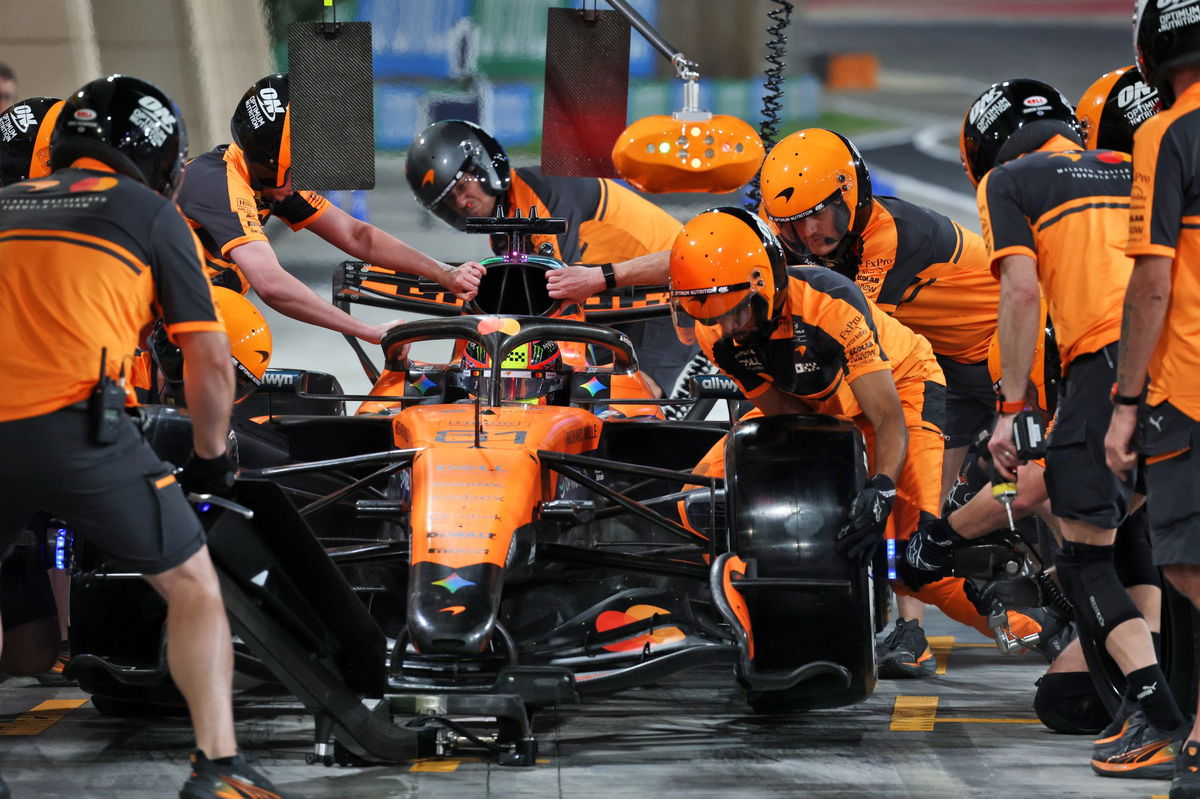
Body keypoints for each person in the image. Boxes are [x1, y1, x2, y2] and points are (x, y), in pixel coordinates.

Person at [0, 75, 295, 799]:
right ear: (160, 158)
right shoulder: (150, 213)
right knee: (193, 583)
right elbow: (208, 357)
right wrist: (210, 458)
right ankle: (217, 769)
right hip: (78, 429)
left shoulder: (5, 204)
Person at [960, 75, 1187, 782]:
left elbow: (1021, 290)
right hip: (1184, 357)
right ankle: (1153, 706)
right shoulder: (1140, 164)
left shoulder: (1009, 182)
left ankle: (1160, 719)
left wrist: (1011, 407)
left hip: (1109, 359)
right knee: (1156, 544)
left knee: (1086, 556)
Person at [666, 206, 973, 678]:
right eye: (711, 317)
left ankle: (1040, 624)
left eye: (734, 313)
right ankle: (720, 615)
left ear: (764, 286)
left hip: (900, 390)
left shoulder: (831, 304)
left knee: (915, 560)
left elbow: (887, 418)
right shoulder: (716, 331)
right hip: (815, 405)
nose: (726, 329)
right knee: (693, 503)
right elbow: (786, 420)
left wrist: (881, 488)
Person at [178, 73, 483, 346]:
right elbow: (271, 284)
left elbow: (356, 235)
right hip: (158, 331)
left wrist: (444, 273)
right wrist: (366, 331)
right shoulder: (220, 185)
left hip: (185, 323)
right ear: (269, 157)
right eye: (299, 165)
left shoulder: (266, 180)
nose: (308, 176)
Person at [405, 118, 696, 395]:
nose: (461, 202)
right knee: (584, 386)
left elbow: (558, 295)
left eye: (461, 186)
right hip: (619, 299)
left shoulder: (539, 196)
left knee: (631, 394)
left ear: (484, 167)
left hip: (666, 290)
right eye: (448, 200)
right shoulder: (505, 224)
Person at [1106, 3, 1200, 795]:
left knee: (1182, 560)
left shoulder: (1166, 132)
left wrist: (1127, 399)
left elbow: (1152, 279)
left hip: (1187, 384)